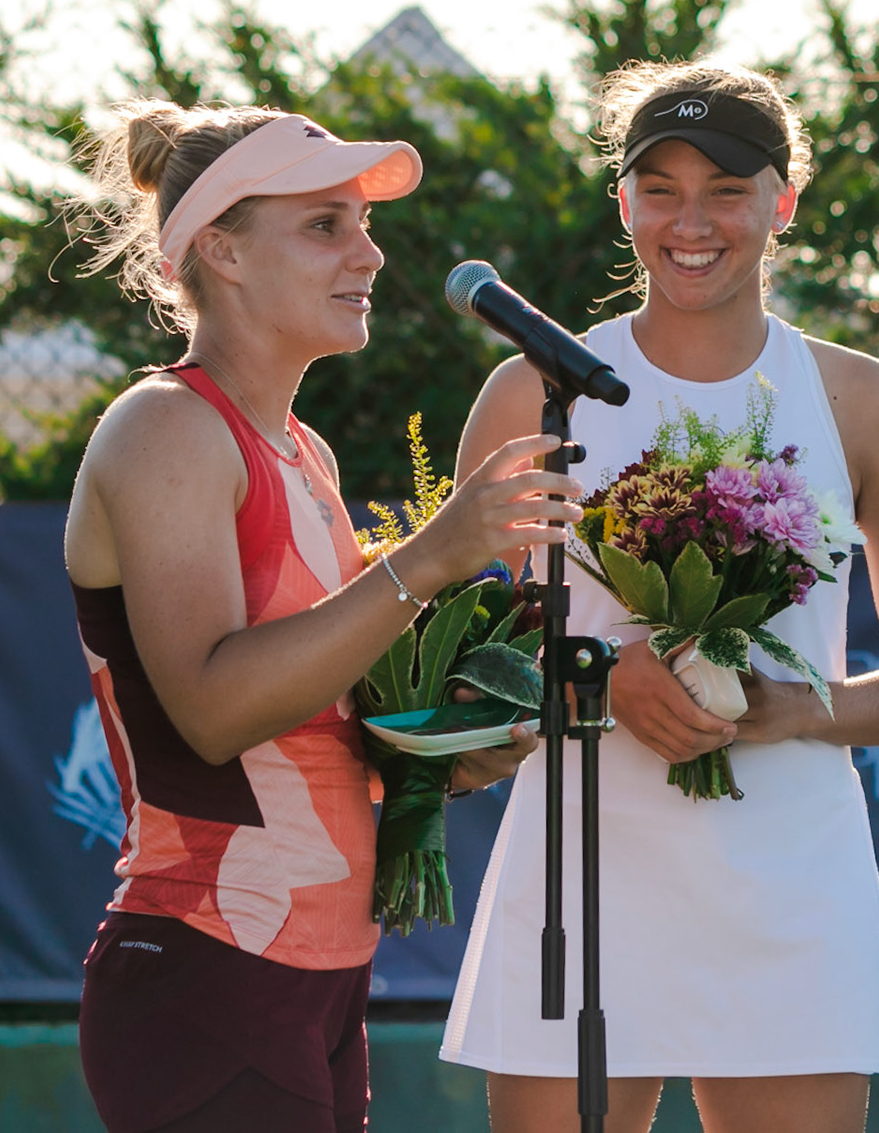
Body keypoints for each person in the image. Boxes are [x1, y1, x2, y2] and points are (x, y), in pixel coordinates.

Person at [439, 63, 879, 1133]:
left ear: (784, 202)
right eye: (661, 189)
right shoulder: (529, 392)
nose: (692, 223)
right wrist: (599, 678)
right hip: (579, 876)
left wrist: (793, 708)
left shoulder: (859, 398)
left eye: (727, 190)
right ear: (623, 204)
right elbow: (451, 664)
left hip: (788, 883)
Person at [63, 100, 583, 1133]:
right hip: (208, 967)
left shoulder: (305, 451)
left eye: (364, 223)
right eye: (324, 226)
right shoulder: (165, 428)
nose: (370, 253)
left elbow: (311, 724)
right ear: (222, 251)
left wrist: (451, 750)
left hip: (317, 976)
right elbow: (215, 712)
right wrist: (432, 556)